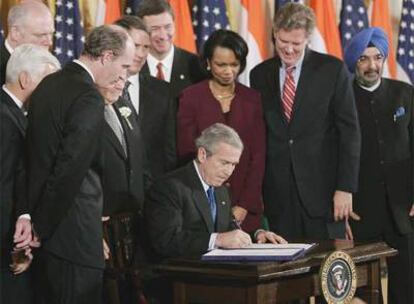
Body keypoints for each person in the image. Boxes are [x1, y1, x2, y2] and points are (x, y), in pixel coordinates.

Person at [26, 25, 135, 303]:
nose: (125, 73)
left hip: (48, 236)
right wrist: (43, 226)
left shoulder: (49, 84)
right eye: (123, 64)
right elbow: (70, 168)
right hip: (73, 238)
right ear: (106, 56)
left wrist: (36, 220)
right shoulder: (87, 97)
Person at [250, 3, 361, 240]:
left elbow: (349, 132)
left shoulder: (332, 69)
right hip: (278, 196)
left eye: (296, 44)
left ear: (308, 39)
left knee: (327, 270)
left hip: (324, 195)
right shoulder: (259, 75)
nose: (288, 49)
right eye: (283, 42)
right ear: (274, 34)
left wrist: (345, 188)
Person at [344, 27, 414, 304]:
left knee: (407, 289)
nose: (372, 65)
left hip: (403, 208)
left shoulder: (405, 93)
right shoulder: (341, 99)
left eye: (377, 57)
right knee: (363, 292)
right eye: (363, 59)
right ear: (354, 63)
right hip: (361, 211)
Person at [146, 123, 286, 260]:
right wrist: (217, 239)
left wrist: (257, 235)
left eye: (233, 165)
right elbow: (166, 241)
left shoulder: (220, 189)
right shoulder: (169, 187)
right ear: (202, 155)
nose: (229, 172)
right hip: (178, 276)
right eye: (224, 163)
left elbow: (229, 229)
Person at [177, 29, 265, 233]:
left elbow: (258, 157)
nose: (228, 71)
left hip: (246, 208)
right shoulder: (190, 98)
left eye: (234, 64)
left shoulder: (252, 99)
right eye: (221, 64)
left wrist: (244, 205)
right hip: (201, 205)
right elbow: (187, 152)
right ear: (208, 62)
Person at [0, 44, 60, 304]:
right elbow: (4, 186)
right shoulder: (4, 120)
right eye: (47, 82)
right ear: (25, 79)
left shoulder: (14, 115)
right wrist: (14, 247)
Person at [97, 78, 147, 304]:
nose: (121, 85)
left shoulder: (124, 107)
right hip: (103, 223)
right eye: (114, 79)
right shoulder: (85, 112)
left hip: (132, 222)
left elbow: (140, 162)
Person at [114, 15, 176, 181]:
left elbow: (169, 150)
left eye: (146, 47)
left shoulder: (163, 92)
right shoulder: (99, 89)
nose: (140, 54)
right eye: (135, 46)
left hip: (153, 191)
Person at [137, 0, 205, 98]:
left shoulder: (195, 65)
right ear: (142, 31)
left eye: (167, 27)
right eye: (155, 29)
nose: (162, 35)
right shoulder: (133, 66)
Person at [1, 1, 54, 85]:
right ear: (15, 33)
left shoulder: (50, 69)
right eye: (40, 35)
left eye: (51, 34)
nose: (49, 42)